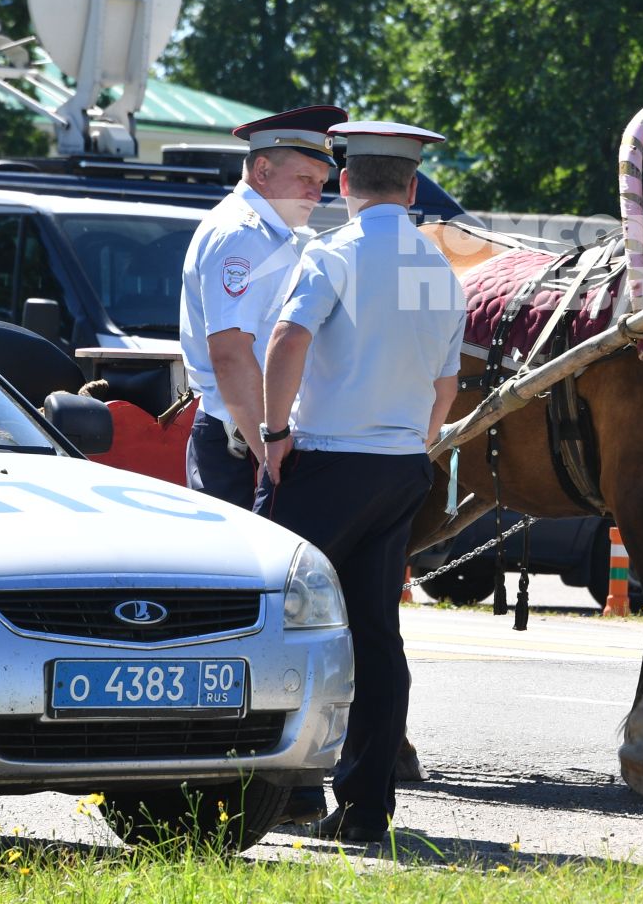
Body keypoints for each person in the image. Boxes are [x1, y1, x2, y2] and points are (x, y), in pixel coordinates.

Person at [258, 121, 466, 843]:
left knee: (273, 622)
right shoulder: (438, 268)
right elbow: (447, 385)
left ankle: (270, 788)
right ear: (411, 189)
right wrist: (414, 440)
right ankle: (365, 807)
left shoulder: (332, 252)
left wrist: (273, 433)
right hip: (401, 463)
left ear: (345, 182)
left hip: (327, 462)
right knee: (377, 636)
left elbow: (288, 338)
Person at [178, 105, 345, 508]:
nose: (316, 194)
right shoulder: (243, 236)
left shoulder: (261, 233)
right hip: (242, 446)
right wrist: (268, 449)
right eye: (305, 178)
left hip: (244, 438)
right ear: (263, 170)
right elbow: (230, 356)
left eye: (321, 182)